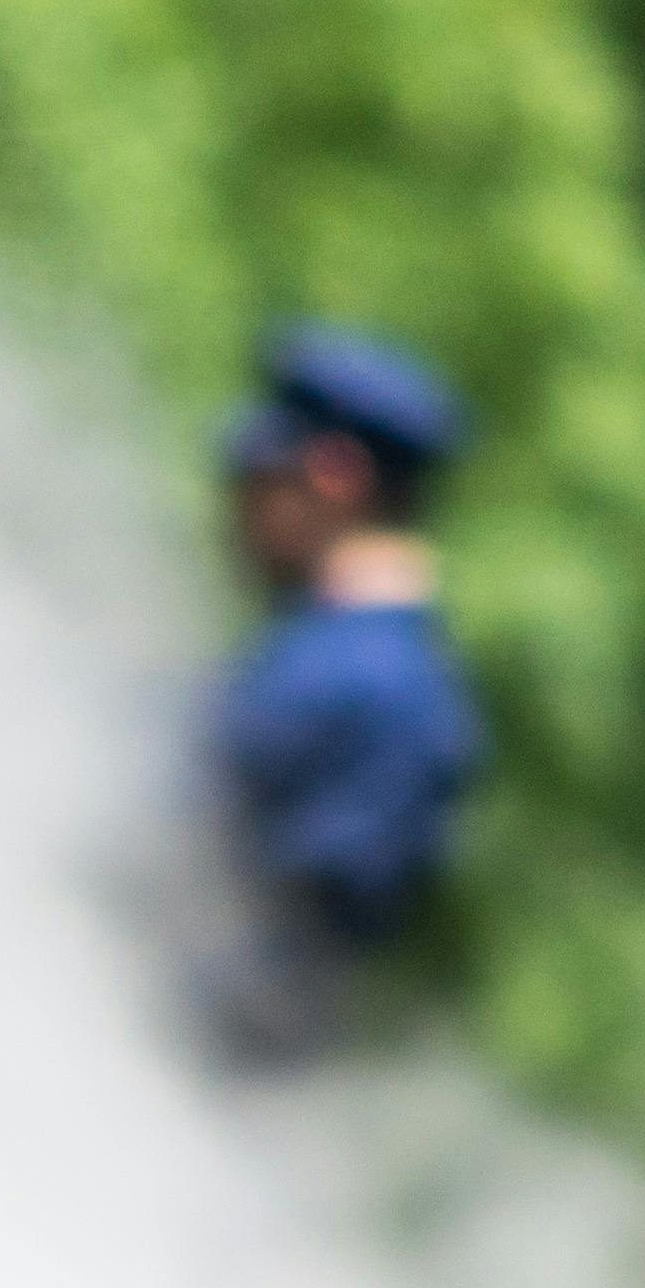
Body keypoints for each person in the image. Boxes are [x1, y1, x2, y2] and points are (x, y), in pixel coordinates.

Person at [198, 322, 483, 1059]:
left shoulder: (390, 695)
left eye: (260, 483)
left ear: (334, 477)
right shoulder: (329, 652)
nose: (240, 514)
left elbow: (290, 956)